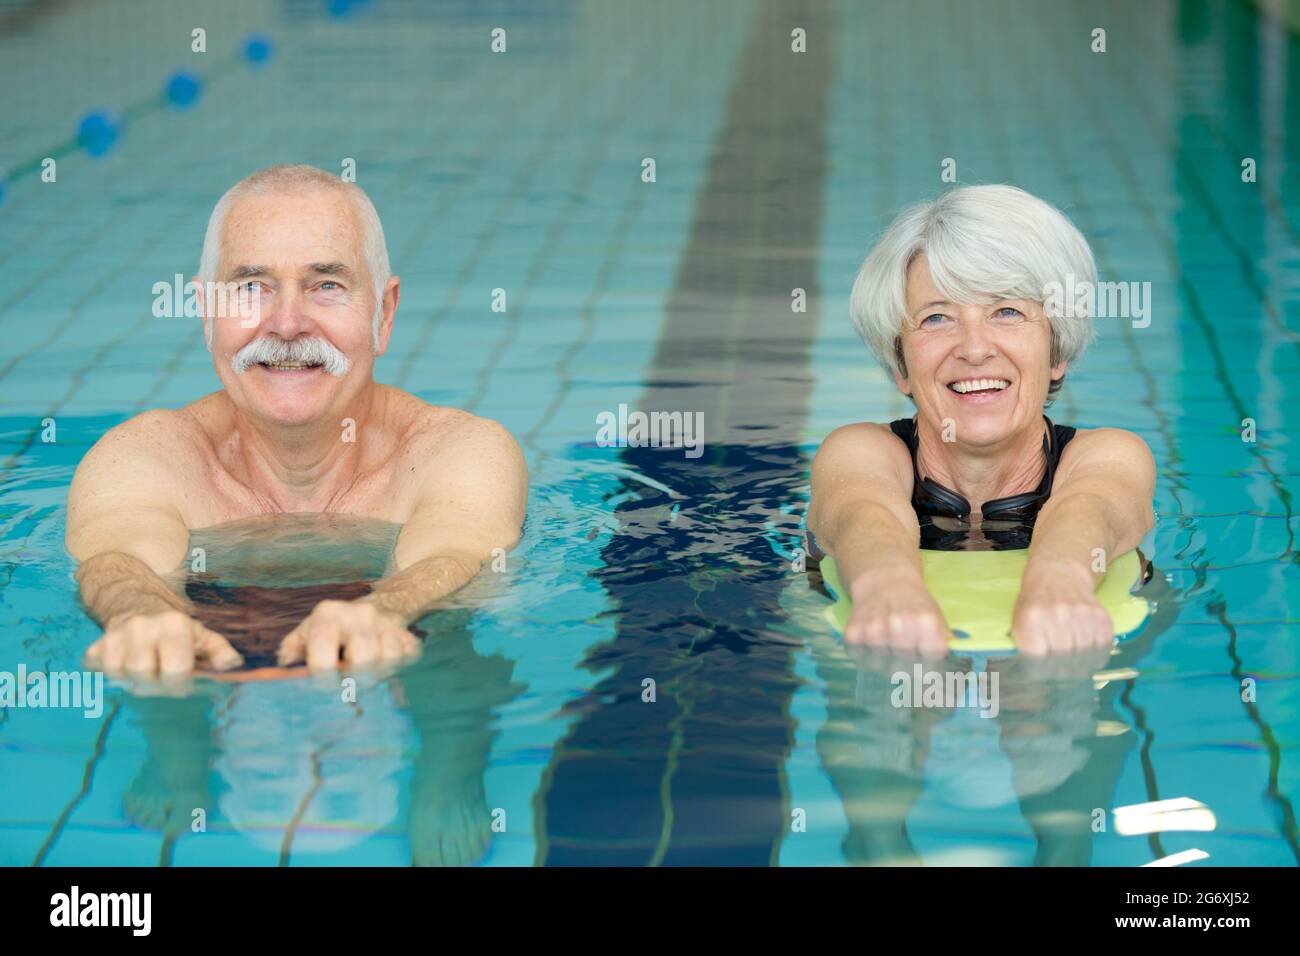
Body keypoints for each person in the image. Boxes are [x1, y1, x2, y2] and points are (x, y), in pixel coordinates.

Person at [66, 164, 528, 676]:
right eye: (251, 286)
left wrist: (383, 612)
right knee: (165, 699)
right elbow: (118, 560)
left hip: (411, 657)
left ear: (385, 312)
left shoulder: (458, 451)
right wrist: (142, 616)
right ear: (205, 313)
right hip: (201, 667)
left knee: (453, 682)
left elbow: (450, 555)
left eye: (326, 285)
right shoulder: (145, 456)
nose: (286, 323)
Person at [807, 185, 1155, 657]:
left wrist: (1061, 579)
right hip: (873, 640)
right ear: (900, 366)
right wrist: (885, 584)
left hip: (1074, 642)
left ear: (1056, 349)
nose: (974, 348)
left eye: (1007, 312)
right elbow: (864, 512)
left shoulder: (1107, 455)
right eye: (936, 319)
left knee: (1049, 692)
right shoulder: (862, 452)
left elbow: (1090, 508)